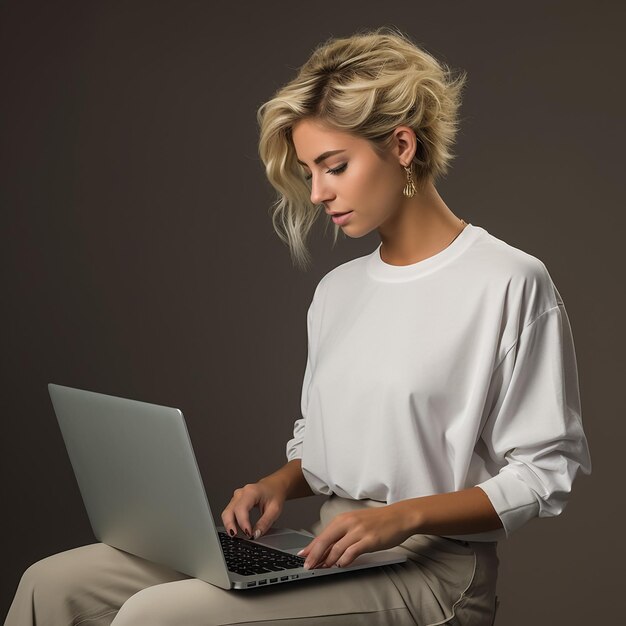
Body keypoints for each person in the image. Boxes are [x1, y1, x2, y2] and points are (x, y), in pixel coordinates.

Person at [4, 26, 591, 626]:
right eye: (309, 171)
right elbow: (327, 445)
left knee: (157, 617)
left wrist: (404, 516)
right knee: (52, 586)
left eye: (333, 166)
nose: (316, 193)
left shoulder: (509, 281)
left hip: (433, 573)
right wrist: (279, 483)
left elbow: (545, 474)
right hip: (329, 549)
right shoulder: (337, 292)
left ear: (403, 145)